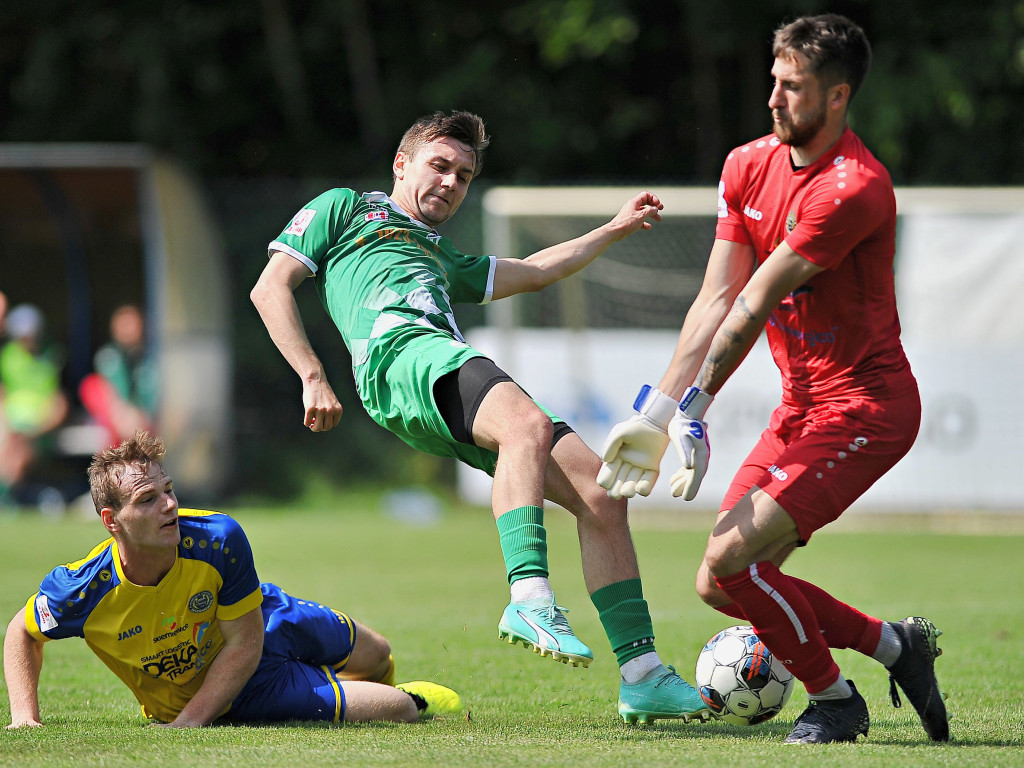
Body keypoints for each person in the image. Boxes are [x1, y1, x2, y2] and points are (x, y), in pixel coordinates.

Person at [250, 110, 711, 724]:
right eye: (439, 165)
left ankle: (643, 674)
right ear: (401, 164)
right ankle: (530, 596)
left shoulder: (442, 256)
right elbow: (270, 287)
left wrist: (614, 228)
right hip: (401, 357)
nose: (450, 182)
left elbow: (539, 271)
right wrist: (312, 375)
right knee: (527, 424)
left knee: (601, 494)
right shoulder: (345, 208)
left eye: (464, 175)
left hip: (436, 365)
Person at [597, 14, 949, 745]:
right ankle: (895, 646)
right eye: (774, 81)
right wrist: (657, 412)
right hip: (801, 406)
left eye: (793, 87)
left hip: (867, 408)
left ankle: (836, 702)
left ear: (838, 96)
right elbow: (715, 299)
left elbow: (755, 300)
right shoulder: (746, 166)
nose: (774, 99)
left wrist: (694, 408)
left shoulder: (853, 187)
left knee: (734, 561)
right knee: (720, 582)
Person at [4, 431, 462, 728]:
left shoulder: (217, 537)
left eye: (169, 490)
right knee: (398, 709)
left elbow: (245, 642)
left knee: (378, 652)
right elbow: (20, 632)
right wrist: (25, 717)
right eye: (147, 500)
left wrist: (187, 725)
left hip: (260, 620)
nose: (169, 505)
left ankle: (337, 680)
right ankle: (398, 698)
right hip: (248, 691)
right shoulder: (84, 588)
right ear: (111, 521)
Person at [0, 303, 70, 503]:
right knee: (7, 449)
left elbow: (60, 404)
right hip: (11, 428)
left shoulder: (52, 358)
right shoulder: (7, 357)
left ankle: (8, 500)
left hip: (39, 430)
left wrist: (34, 430)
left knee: (18, 455)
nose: (27, 339)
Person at [79, 304, 158, 448]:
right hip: (118, 422)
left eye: (131, 324)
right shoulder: (108, 356)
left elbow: (153, 396)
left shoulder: (152, 358)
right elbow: (114, 393)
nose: (128, 330)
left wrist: (142, 417)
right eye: (123, 325)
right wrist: (122, 414)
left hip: (146, 423)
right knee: (90, 385)